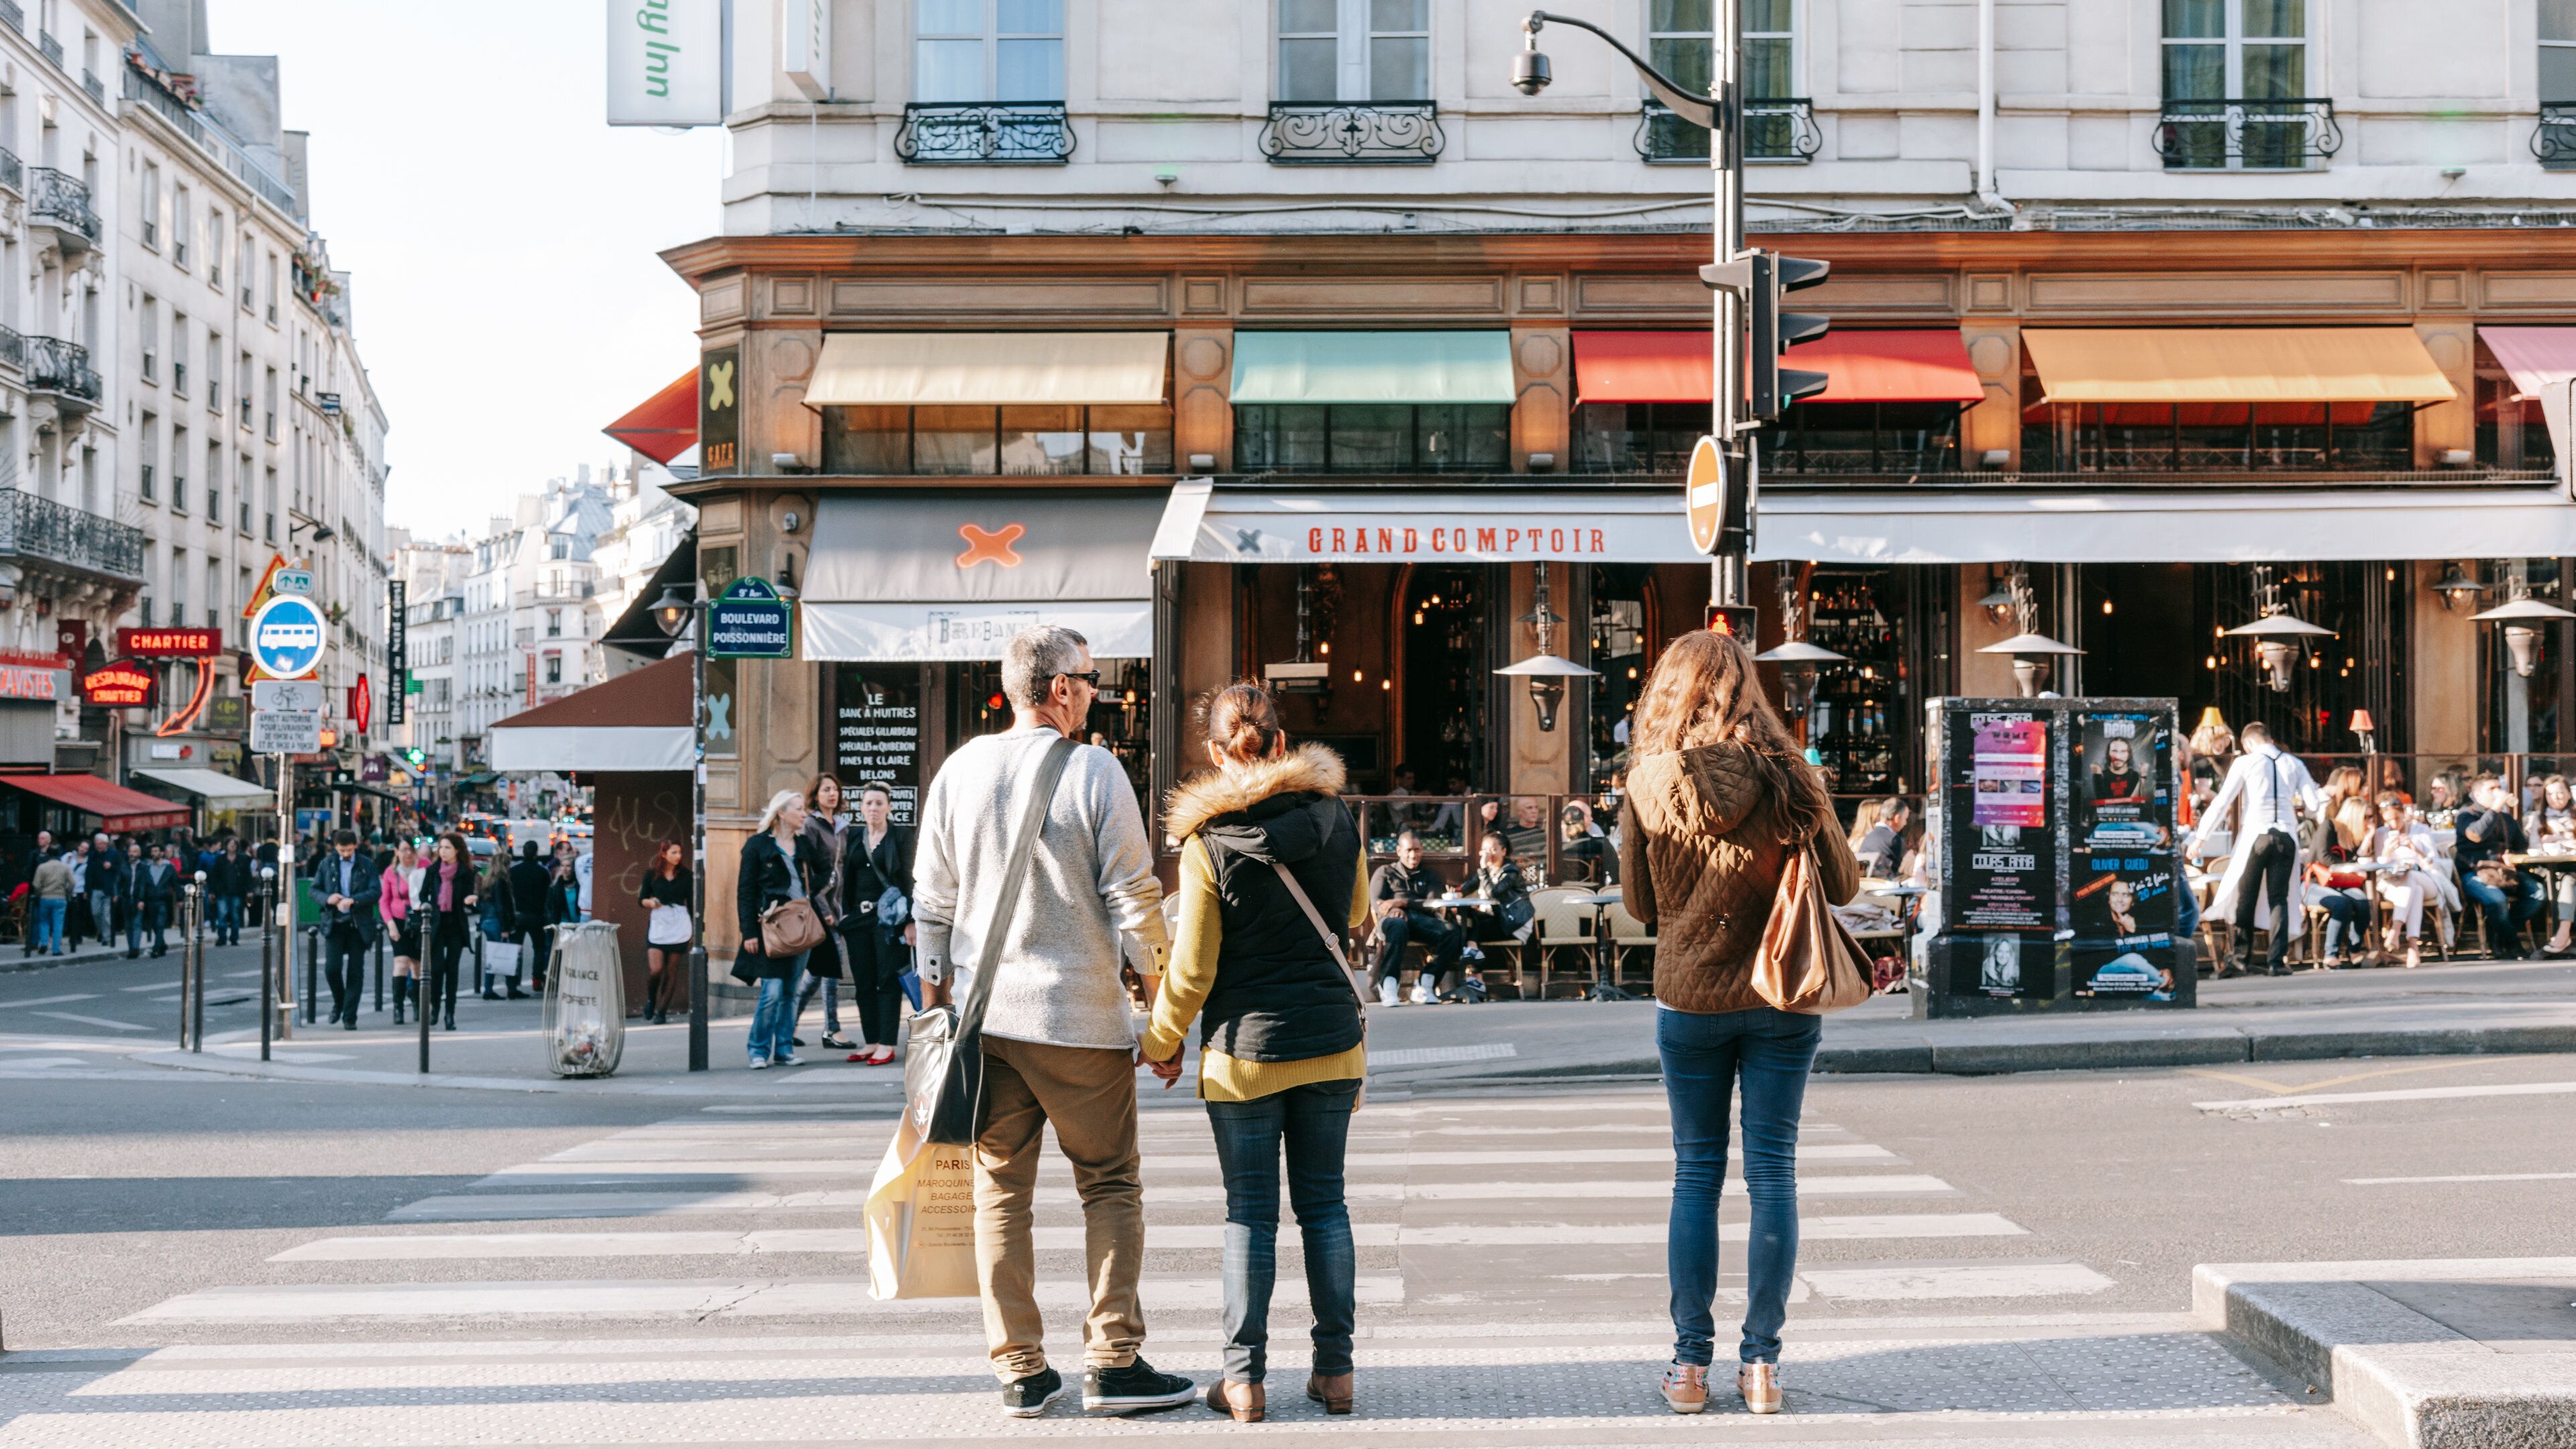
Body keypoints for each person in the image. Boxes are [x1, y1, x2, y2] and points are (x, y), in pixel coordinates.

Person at [910, 623, 1190, 1419]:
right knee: (1109, 1184)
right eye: (1094, 680)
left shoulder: (960, 769)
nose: (1099, 692)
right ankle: (1113, 1359)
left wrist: (937, 1004)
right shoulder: (1096, 771)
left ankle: (1022, 1370)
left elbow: (931, 905)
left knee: (1001, 1193)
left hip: (986, 1019)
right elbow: (1136, 904)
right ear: (1060, 688)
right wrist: (1161, 1017)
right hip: (1078, 1020)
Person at [1618, 628, 1860, 1418]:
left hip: (1688, 1000)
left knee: (1696, 1172)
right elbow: (1848, 885)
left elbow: (1640, 906)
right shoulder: (1789, 773)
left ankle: (1690, 1369)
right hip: (1781, 993)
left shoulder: (1650, 781)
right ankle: (1761, 1368)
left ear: (1670, 692)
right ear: (1746, 690)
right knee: (1773, 1172)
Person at [1138, 683, 1366, 1423]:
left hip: (1243, 1056)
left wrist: (1161, 1042)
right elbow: (1358, 913)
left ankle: (1243, 1381)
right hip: (1332, 1048)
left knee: (1249, 1216)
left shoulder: (1209, 846)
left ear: (1215, 753)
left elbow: (1194, 967)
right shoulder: (1336, 819)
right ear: (1281, 741)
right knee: (1326, 1206)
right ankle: (1335, 1373)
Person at [2186, 721, 2322, 979]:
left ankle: (2240, 959)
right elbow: (2313, 805)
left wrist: (2200, 838)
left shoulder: (2246, 762)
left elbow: (2222, 801)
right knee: (2279, 899)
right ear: (2270, 739)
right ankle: (2277, 961)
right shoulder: (2294, 763)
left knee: (2245, 897)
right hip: (2286, 836)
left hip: (2256, 835)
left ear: (2248, 744)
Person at [734, 788, 824, 1069]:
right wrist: (748, 931)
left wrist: (807, 897)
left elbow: (824, 872)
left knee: (791, 991)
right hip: (771, 928)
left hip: (800, 925)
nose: (803, 813)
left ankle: (784, 1049)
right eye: (798, 809)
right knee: (772, 992)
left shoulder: (804, 844)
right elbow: (745, 891)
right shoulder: (757, 846)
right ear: (781, 813)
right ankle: (758, 1050)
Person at [839, 781, 914, 1066]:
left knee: (887, 980)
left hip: (889, 922)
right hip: (859, 919)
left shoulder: (901, 836)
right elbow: (848, 878)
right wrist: (845, 914)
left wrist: (911, 922)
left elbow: (908, 879)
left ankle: (886, 1043)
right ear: (861, 807)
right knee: (864, 982)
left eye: (879, 803)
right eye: (868, 803)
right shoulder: (855, 836)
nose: (873, 808)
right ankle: (871, 1041)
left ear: (889, 808)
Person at [792, 773, 853, 1052]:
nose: (832, 794)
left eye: (836, 789)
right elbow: (811, 873)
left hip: (839, 906)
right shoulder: (810, 825)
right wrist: (825, 909)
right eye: (826, 789)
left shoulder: (841, 826)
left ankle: (789, 1023)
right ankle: (832, 1029)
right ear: (815, 794)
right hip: (822, 908)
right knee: (831, 968)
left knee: (817, 972)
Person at [2455, 773, 2545, 959]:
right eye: (2492, 789)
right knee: (2497, 900)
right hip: (2475, 873)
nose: (2498, 792)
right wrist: (2495, 808)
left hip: (2505, 872)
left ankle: (2498, 933)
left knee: (2538, 894)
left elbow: (2522, 846)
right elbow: (2476, 835)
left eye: (2499, 787)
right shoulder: (2466, 815)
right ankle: (2512, 944)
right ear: (2477, 795)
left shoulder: (2507, 818)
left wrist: (2512, 856)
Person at [1368, 830, 1460, 1007]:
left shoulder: (1430, 876)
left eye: (1417, 850)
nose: (1413, 855)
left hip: (1422, 921)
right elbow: (1379, 904)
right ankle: (1388, 985)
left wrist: (1401, 902)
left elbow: (1431, 903)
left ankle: (1426, 983)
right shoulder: (1385, 872)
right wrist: (1395, 909)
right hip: (1391, 921)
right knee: (1397, 924)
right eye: (1409, 850)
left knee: (1451, 931)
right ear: (1399, 851)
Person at [2366, 794, 2449, 969]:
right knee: (2414, 891)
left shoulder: (2420, 830)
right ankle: (2413, 948)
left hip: (2426, 878)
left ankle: (2396, 928)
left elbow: (2432, 864)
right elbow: (2379, 868)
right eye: (2389, 821)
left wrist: (2415, 849)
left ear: (2403, 813)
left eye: (2397, 818)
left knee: (2411, 878)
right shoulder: (2381, 834)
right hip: (2394, 882)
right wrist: (2386, 853)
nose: (2394, 824)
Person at [313, 830, 381, 1029]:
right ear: (335, 847)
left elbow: (376, 891)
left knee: (355, 972)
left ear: (356, 846)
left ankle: (350, 1017)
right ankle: (339, 1002)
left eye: (349, 850)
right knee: (332, 969)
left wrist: (355, 900)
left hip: (358, 924)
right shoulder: (327, 864)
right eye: (342, 850)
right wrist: (327, 898)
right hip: (334, 922)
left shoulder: (366, 865)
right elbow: (314, 889)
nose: (345, 854)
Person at [2300, 790, 2374, 970]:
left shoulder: (2356, 836)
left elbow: (2357, 860)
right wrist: (2349, 866)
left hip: (2342, 884)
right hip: (2315, 883)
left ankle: (2354, 949)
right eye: (2367, 817)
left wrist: (2367, 840)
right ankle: (2331, 954)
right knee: (2342, 905)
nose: (2370, 821)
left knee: (2363, 903)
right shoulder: (2329, 827)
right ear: (2356, 816)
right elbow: (2325, 858)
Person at [1460, 831, 1535, 987]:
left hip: (1515, 923)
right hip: (1499, 919)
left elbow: (1493, 892)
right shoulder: (1487, 871)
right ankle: (1476, 974)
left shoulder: (1511, 871)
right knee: (1466, 916)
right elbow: (1468, 887)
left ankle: (1476, 976)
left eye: (1493, 849)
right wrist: (1456, 894)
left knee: (1470, 931)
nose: (1489, 854)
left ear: (1504, 851)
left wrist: (1483, 869)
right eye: (1485, 850)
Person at [419, 833, 477, 1031]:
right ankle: (435, 1006)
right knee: (436, 970)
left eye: (447, 848)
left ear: (457, 851)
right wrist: (427, 906)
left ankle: (450, 1014)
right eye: (441, 848)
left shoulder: (466, 873)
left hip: (456, 926)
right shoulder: (433, 870)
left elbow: (472, 898)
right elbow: (422, 895)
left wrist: (470, 900)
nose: (443, 852)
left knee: (452, 971)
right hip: (436, 926)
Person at [639, 841, 692, 1025]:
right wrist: (650, 902)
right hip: (659, 922)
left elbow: (692, 903)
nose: (678, 856)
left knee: (671, 970)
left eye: (680, 852)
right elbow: (641, 899)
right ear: (664, 854)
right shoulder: (652, 875)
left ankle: (662, 1011)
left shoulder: (687, 876)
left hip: (679, 922)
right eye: (674, 852)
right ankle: (651, 1000)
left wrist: (695, 929)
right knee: (656, 970)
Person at [381, 840, 424, 1025]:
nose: (408, 853)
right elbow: (384, 901)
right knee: (401, 963)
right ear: (396, 851)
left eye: (411, 850)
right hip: (398, 921)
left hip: (420, 921)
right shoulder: (391, 872)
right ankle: (397, 1008)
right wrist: (390, 924)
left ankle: (417, 1003)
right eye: (404, 850)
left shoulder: (424, 867)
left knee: (417, 966)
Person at [2533, 775, 2576, 957]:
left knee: (2568, 881)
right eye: (2550, 794)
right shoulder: (2539, 819)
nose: (2555, 797)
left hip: (2572, 868)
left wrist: (2561, 839)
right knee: (2564, 882)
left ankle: (2562, 935)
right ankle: (2563, 935)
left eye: (2560, 793)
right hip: (2550, 869)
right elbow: (2534, 848)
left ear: (2568, 794)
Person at [506, 841, 551, 995]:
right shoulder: (543, 872)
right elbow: (547, 894)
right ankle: (536, 980)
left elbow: (510, 892)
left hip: (519, 914)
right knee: (539, 948)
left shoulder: (515, 871)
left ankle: (512, 983)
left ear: (523, 852)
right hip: (537, 915)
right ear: (536, 853)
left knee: (515, 949)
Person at [131, 843, 176, 958]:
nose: (154, 854)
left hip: (163, 900)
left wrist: (180, 899)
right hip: (151, 900)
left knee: (160, 923)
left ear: (162, 853)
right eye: (152, 852)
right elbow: (143, 885)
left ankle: (156, 948)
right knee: (154, 925)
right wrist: (141, 900)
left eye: (156, 851)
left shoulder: (169, 867)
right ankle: (162, 945)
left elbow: (175, 884)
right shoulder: (148, 867)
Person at [1849, 798, 1910, 879]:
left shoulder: (1868, 836)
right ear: (1897, 818)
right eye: (1905, 819)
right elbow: (1901, 870)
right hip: (1885, 886)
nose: (1906, 823)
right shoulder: (1893, 839)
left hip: (1867, 885)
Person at [207, 837, 251, 947]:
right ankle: (222, 937)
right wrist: (212, 891)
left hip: (237, 892)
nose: (232, 847)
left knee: (235, 916)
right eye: (230, 845)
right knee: (222, 914)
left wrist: (249, 890)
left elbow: (247, 876)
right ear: (226, 846)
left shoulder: (242, 859)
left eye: (234, 845)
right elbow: (214, 876)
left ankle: (234, 938)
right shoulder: (220, 859)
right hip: (223, 892)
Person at [27, 847, 69, 956]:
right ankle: (55, 949)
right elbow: (72, 882)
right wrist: (67, 893)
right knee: (58, 924)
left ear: (48, 855)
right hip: (60, 897)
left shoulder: (42, 867)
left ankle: (44, 944)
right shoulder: (65, 867)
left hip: (45, 897)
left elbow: (36, 884)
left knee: (44, 922)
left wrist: (39, 893)